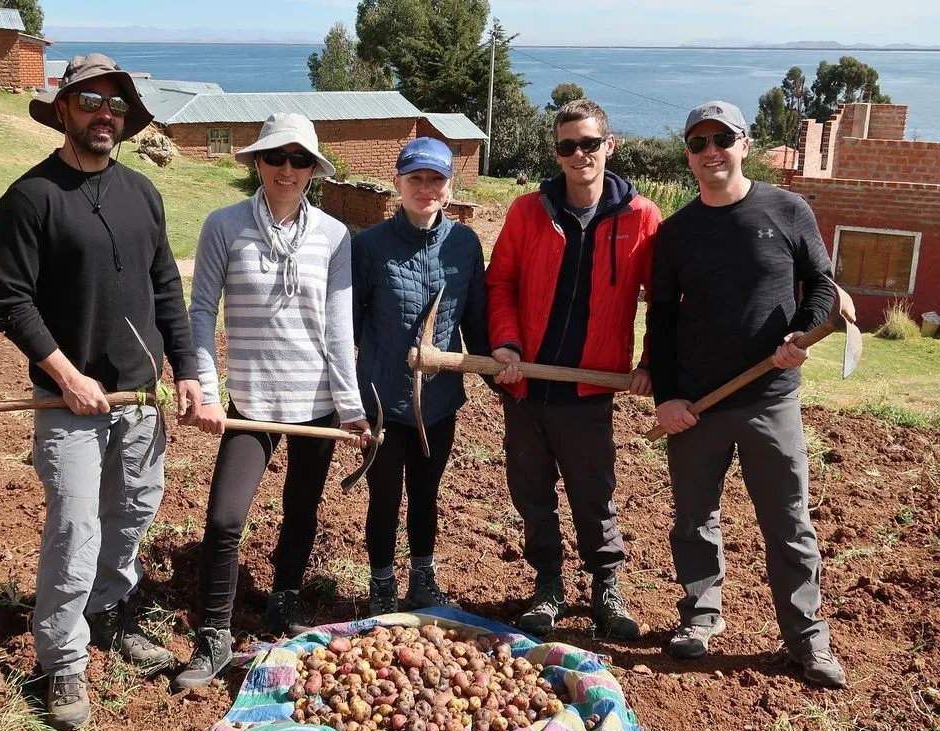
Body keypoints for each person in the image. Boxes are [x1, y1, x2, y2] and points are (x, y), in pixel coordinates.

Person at [0, 54, 203, 731]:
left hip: (140, 401)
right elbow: (11, 302)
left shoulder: (143, 194)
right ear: (62, 111)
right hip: (71, 404)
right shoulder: (30, 198)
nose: (104, 114)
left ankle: (110, 611)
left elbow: (167, 288)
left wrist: (188, 370)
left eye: (114, 104)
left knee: (134, 512)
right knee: (76, 523)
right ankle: (62, 658)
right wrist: (67, 374)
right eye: (89, 102)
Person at [647, 101, 846, 689]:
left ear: (744, 142)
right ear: (689, 153)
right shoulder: (677, 232)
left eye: (721, 139)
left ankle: (807, 640)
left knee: (788, 521)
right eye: (698, 142)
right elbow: (659, 320)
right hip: (700, 406)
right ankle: (700, 617)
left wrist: (801, 335)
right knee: (693, 519)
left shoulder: (786, 209)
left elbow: (822, 284)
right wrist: (669, 399)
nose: (710, 151)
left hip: (770, 397)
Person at [176, 114, 370, 689]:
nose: (288, 170)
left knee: (301, 510)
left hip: (316, 404)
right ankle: (213, 635)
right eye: (276, 158)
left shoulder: (335, 237)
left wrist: (351, 405)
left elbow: (338, 329)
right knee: (225, 518)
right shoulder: (224, 226)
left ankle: (282, 603)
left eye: (300, 160)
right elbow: (200, 312)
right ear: (257, 161)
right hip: (250, 401)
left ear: (314, 169)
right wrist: (207, 390)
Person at [485, 99, 660, 638]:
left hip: (590, 389)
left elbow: (665, 300)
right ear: (557, 152)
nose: (578, 154)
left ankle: (606, 585)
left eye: (588, 143)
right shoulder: (526, 211)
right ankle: (548, 585)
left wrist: (652, 360)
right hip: (527, 386)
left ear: (610, 145)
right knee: (531, 492)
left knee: (593, 491)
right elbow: (501, 285)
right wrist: (507, 345)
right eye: (567, 146)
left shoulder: (641, 218)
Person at [352, 138, 514, 616]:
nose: (426, 188)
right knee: (384, 497)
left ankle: (423, 578)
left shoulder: (464, 244)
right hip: (381, 400)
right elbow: (350, 323)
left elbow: (475, 321)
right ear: (398, 183)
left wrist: (500, 374)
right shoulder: (369, 245)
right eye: (415, 178)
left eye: (436, 179)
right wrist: (353, 391)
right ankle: (381, 583)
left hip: (440, 400)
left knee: (426, 493)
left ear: (449, 186)